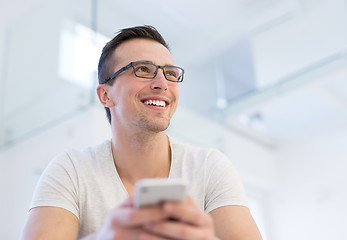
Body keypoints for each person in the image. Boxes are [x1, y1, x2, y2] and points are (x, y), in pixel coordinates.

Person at [21, 25, 262, 240]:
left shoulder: (210, 168)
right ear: (106, 95)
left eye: (170, 73)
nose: (162, 83)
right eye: (143, 70)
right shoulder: (71, 170)